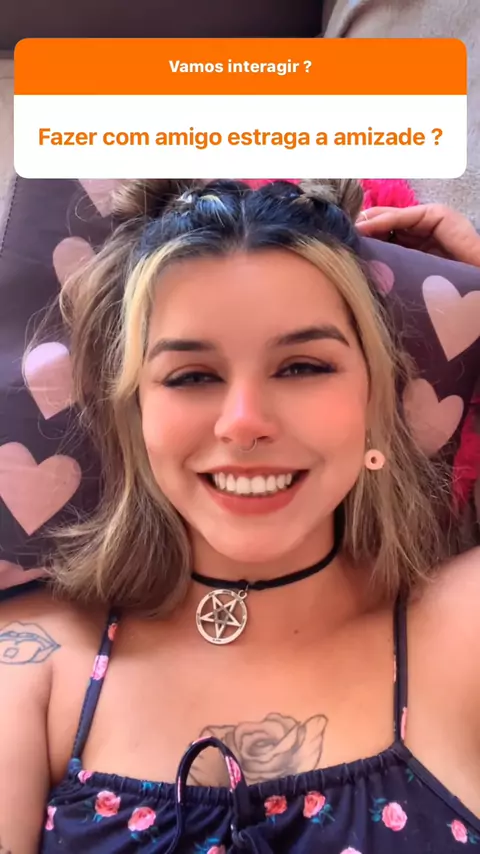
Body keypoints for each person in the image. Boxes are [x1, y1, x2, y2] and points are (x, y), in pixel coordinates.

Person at [0, 178, 479, 854]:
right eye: (191, 376)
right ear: (136, 415)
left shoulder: (460, 631)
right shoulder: (31, 666)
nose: (244, 423)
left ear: (374, 398)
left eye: (303, 366)